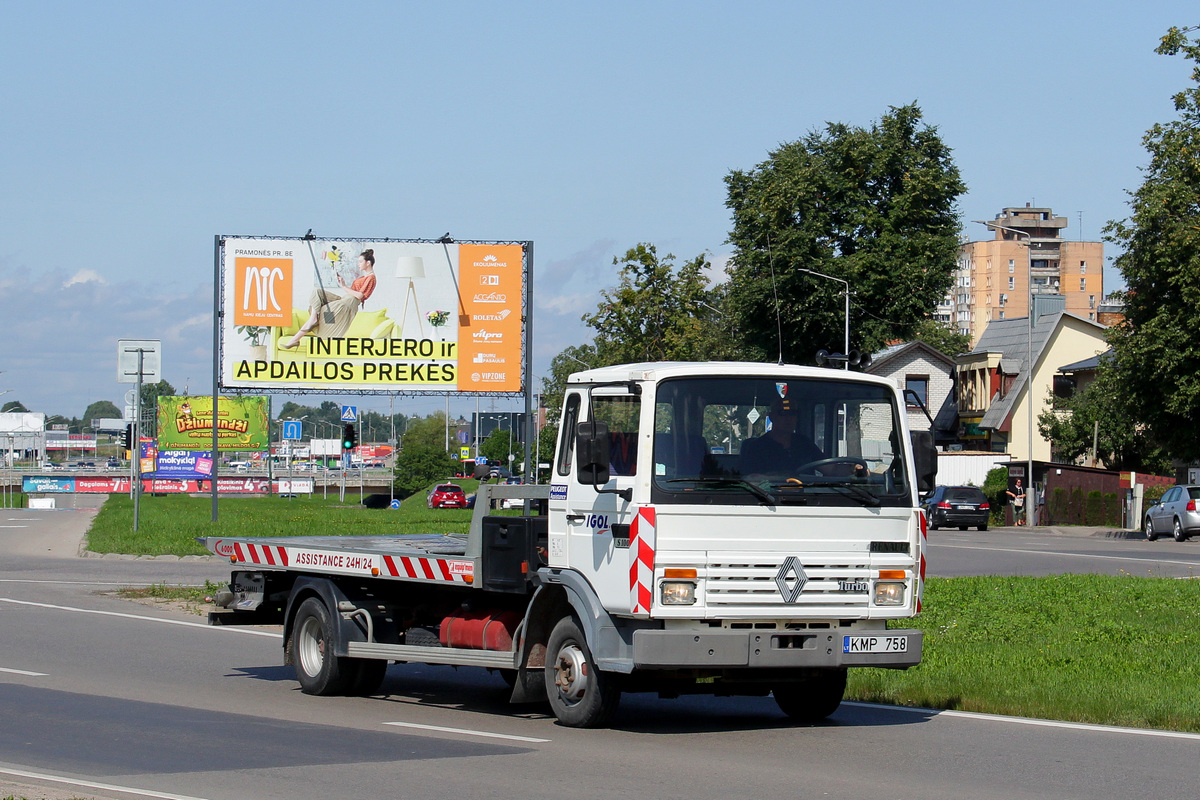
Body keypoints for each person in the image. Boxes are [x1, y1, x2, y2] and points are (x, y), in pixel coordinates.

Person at [282, 249, 377, 348]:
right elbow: (354, 292)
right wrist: (342, 284)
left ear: (368, 263)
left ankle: (295, 339)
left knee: (325, 310)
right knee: (317, 293)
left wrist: (344, 287)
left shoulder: (371, 278)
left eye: (361, 262)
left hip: (349, 303)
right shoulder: (364, 277)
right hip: (344, 299)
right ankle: (312, 320)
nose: (358, 264)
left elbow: (359, 296)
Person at [740, 396, 824, 476]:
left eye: (792, 413)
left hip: (806, 490)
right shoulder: (756, 447)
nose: (788, 418)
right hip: (767, 491)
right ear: (772, 417)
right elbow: (750, 478)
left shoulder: (805, 443)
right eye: (783, 413)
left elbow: (828, 467)